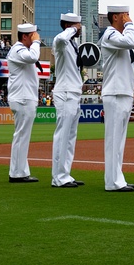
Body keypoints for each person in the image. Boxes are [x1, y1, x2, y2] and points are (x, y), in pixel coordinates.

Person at [99, 5, 134, 192]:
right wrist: (130, 25)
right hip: (114, 92)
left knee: (119, 141)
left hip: (123, 92)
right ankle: (112, 181)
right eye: (125, 15)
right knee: (114, 140)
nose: (128, 18)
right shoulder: (109, 35)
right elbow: (130, 41)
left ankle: (117, 178)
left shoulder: (118, 37)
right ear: (116, 17)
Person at [51, 13, 85, 188]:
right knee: (62, 135)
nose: (80, 28)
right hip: (64, 92)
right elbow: (60, 39)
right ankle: (58, 177)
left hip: (74, 92)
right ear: (68, 25)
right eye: (77, 25)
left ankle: (65, 173)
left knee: (71, 136)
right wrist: (71, 29)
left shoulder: (73, 44)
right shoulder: (61, 42)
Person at [7, 23, 41, 183]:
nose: (36, 37)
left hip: (25, 97)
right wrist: (37, 43)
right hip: (22, 98)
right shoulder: (18, 49)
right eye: (33, 35)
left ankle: (21, 171)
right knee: (21, 135)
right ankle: (16, 173)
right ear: (25, 36)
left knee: (23, 136)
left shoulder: (22, 50)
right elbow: (33, 57)